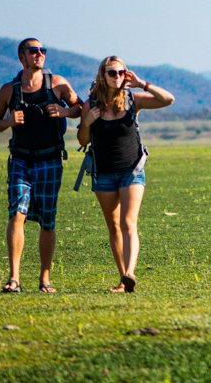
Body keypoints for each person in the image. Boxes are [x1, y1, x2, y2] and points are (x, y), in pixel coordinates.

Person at [0, 38, 81, 293]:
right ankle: (14, 278)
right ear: (22, 57)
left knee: (47, 221)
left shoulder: (58, 84)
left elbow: (80, 107)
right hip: (20, 159)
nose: (40, 54)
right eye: (34, 51)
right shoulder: (10, 90)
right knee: (16, 213)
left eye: (43, 51)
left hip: (50, 159)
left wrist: (63, 113)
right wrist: (8, 121)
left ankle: (45, 279)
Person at [78, 56, 174, 293]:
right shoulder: (91, 104)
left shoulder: (133, 99)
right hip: (103, 173)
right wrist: (87, 122)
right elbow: (82, 140)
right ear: (102, 75)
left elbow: (168, 99)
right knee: (113, 227)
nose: (117, 77)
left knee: (128, 222)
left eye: (121, 72)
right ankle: (122, 280)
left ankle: (130, 272)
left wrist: (142, 83)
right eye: (112, 73)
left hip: (132, 171)